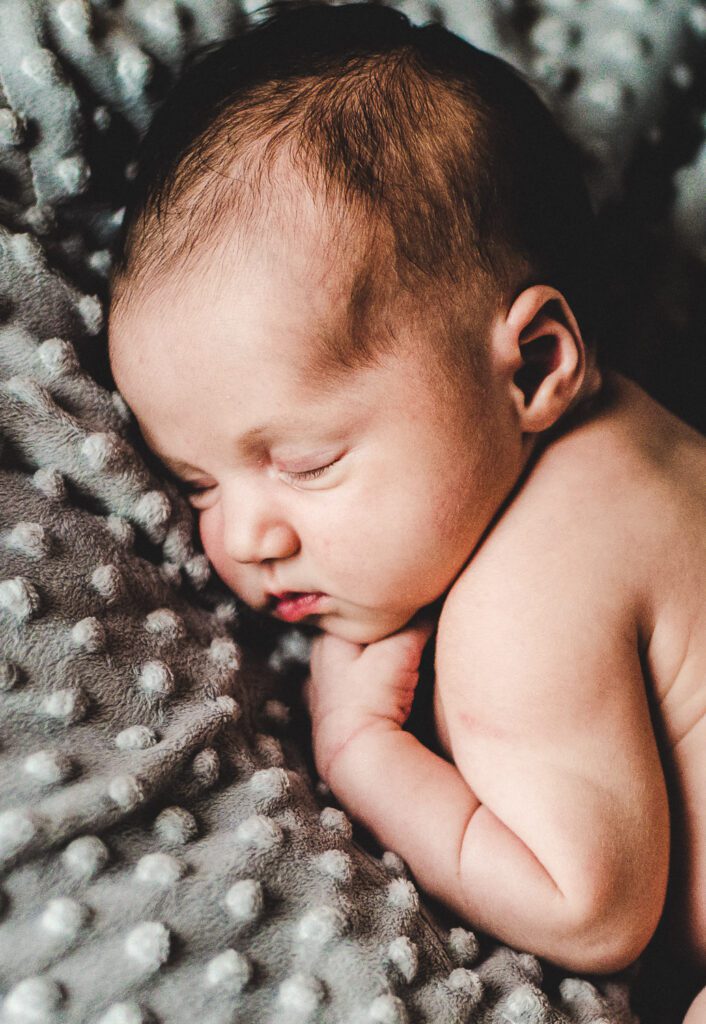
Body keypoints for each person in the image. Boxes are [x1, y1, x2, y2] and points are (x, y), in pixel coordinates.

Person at [106, 3, 706, 1019]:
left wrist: (361, 752)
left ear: (532, 365)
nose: (243, 536)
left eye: (304, 459)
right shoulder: (643, 445)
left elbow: (591, 905)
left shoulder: (526, 586)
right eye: (198, 484)